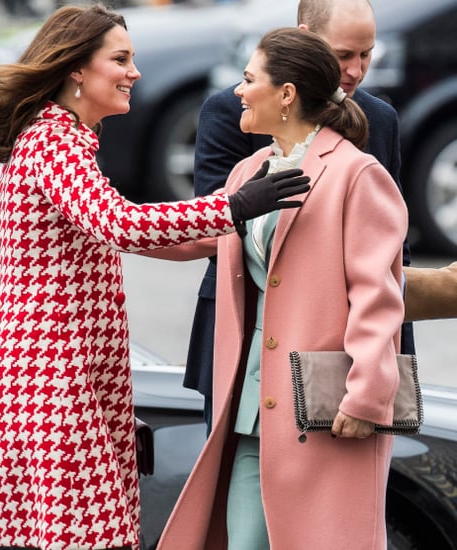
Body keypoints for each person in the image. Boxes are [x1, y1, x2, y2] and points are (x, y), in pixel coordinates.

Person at [0, 5, 310, 550]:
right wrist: (232, 207)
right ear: (77, 69)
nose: (135, 72)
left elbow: (135, 235)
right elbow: (121, 223)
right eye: (121, 59)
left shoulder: (62, 139)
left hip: (60, 376)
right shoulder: (54, 140)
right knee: (84, 536)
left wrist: (241, 231)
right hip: (50, 382)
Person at [157, 26, 407, 550]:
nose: (238, 91)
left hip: (328, 413)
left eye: (249, 79)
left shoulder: (357, 175)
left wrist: (366, 397)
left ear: (286, 94)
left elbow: (378, 297)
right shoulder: (252, 169)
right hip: (254, 411)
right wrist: (93, 216)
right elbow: (193, 233)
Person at [185, 0, 414, 435]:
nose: (356, 69)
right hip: (244, 334)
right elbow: (207, 225)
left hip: (340, 349)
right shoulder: (236, 122)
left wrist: (377, 372)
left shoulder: (377, 121)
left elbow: (388, 258)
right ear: (307, 39)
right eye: (344, 54)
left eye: (366, 54)